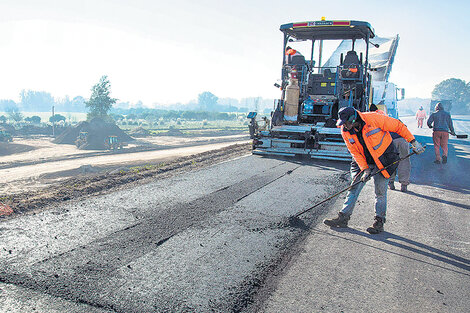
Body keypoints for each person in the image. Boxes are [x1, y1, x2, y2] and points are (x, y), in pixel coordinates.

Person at [323, 107, 424, 234]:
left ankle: (379, 222)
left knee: (380, 191)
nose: (344, 126)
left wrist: (413, 142)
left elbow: (398, 126)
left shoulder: (373, 118)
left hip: (384, 158)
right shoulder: (345, 131)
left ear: (353, 119)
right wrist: (365, 169)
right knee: (354, 187)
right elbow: (354, 152)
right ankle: (343, 217)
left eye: (346, 123)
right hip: (363, 160)